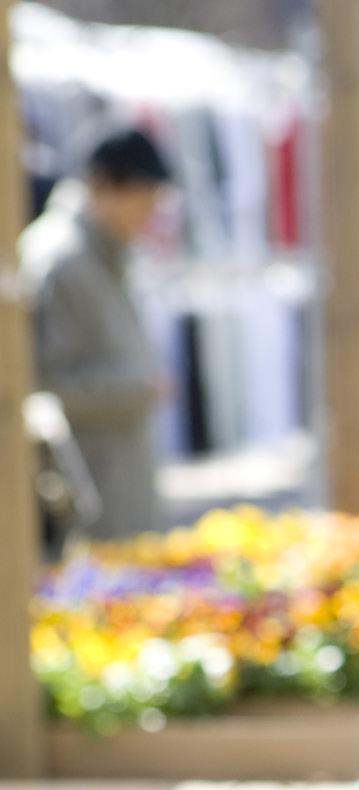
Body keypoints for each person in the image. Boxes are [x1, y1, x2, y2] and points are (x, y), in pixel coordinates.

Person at [20, 126, 172, 540]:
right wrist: (137, 389)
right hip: (83, 496)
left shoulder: (103, 252)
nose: (150, 216)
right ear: (103, 186)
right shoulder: (62, 261)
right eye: (143, 202)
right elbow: (38, 386)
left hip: (115, 482)